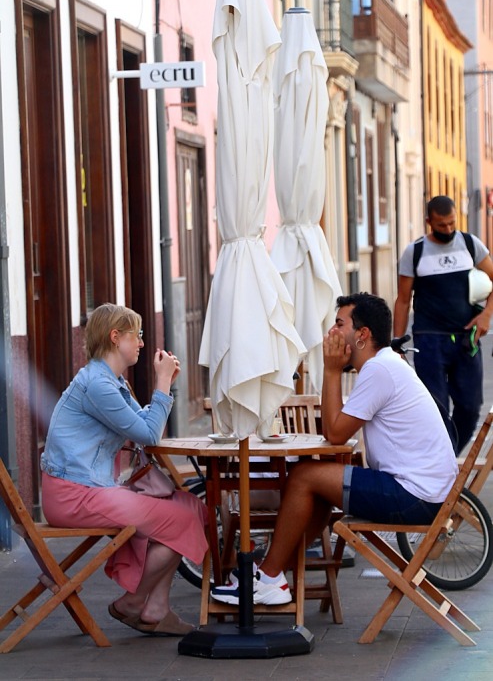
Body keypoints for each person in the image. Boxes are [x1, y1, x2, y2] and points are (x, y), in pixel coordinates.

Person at [211, 292, 458, 606]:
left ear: (362, 335)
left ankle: (269, 576)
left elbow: (335, 433)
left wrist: (329, 371)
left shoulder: (379, 370)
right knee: (322, 486)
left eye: (340, 324)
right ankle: (270, 574)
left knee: (304, 477)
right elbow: (337, 432)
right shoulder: (386, 365)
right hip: (427, 492)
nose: (332, 332)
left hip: (415, 495)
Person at [41, 303, 208, 636]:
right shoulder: (98, 385)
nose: (143, 344)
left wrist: (163, 387)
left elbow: (144, 427)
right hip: (75, 495)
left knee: (193, 508)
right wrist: (162, 383)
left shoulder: (111, 381)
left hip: (91, 489)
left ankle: (156, 608)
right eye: (138, 335)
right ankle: (135, 602)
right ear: (116, 337)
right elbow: (148, 434)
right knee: (186, 517)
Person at [394, 195, 493, 453]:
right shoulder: (414, 252)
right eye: (441, 226)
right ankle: (442, 467)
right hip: (429, 340)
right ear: (429, 222)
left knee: (471, 407)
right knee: (436, 409)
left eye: (451, 224)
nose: (448, 230)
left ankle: (447, 457)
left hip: (465, 339)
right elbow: (403, 301)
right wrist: (396, 343)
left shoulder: (471, 245)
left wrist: (486, 315)